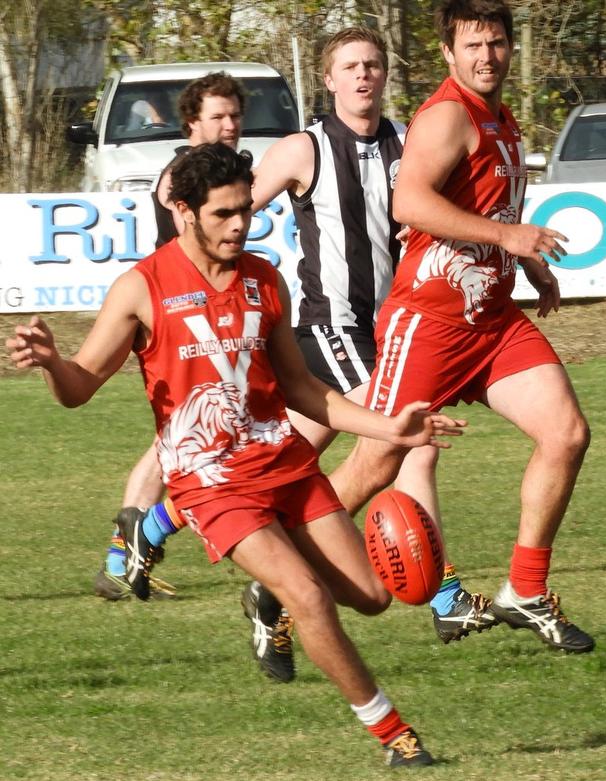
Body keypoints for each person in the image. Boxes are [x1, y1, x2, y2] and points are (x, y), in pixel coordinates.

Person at [7, 142, 466, 767]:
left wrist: (392, 429)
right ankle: (395, 736)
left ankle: (270, 593)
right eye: (223, 213)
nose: (240, 225)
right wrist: (53, 363)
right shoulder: (140, 289)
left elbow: (304, 390)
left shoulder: (263, 279)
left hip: (285, 465)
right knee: (310, 596)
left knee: (373, 596)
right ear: (184, 212)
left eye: (245, 211)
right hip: (211, 484)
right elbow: (80, 386)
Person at [114, 27, 497, 684]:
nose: (364, 77)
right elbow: (226, 215)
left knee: (267, 455)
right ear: (329, 78)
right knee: (410, 442)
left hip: (393, 323)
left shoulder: (411, 141)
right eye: (351, 67)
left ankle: (167, 530)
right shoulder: (304, 147)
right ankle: (442, 595)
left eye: (374, 65)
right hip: (331, 326)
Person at [327, 0, 594, 654]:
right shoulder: (448, 114)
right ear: (449, 54)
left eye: (497, 44)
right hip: (431, 322)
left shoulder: (503, 118)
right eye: (473, 45)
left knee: (566, 433)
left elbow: (489, 206)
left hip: (491, 321)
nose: (487, 56)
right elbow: (410, 200)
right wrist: (510, 235)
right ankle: (281, 579)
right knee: (377, 459)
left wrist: (527, 261)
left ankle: (525, 590)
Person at [95, 72, 246, 601]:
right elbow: (168, 192)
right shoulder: (183, 174)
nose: (228, 125)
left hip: (203, 320)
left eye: (234, 116)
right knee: (177, 445)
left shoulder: (224, 173)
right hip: (177, 320)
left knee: (173, 445)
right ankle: (124, 556)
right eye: (216, 117)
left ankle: (123, 558)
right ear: (191, 124)